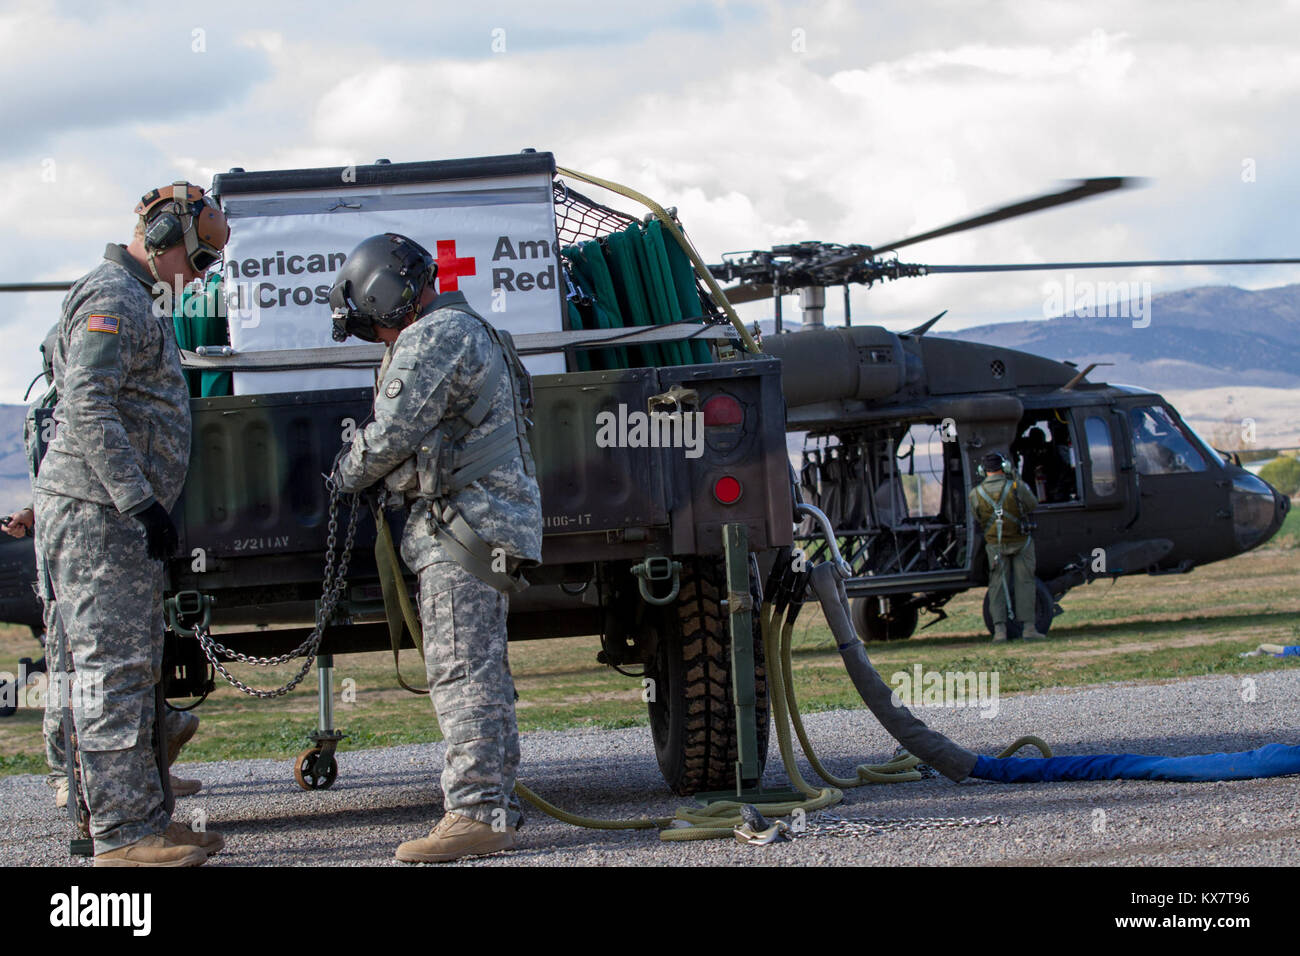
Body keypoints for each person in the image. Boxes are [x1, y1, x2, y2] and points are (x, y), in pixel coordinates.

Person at [329, 233, 542, 863]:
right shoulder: (473, 329)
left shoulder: (435, 335)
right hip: (487, 525)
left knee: (461, 671)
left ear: (387, 298)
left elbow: (393, 433)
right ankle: (495, 805)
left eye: (376, 327)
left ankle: (476, 812)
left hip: (464, 528)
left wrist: (347, 473)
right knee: (482, 667)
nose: (382, 340)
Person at [32, 182, 229, 866]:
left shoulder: (137, 300)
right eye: (198, 262)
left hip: (118, 517)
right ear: (166, 239)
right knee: (111, 673)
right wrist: (137, 499)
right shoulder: (112, 296)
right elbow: (88, 403)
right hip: (98, 515)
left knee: (138, 671)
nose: (198, 278)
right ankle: (121, 837)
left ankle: (147, 819)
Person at [969, 452, 1043, 641]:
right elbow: (1032, 505)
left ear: (983, 471)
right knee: (1025, 583)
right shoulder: (1016, 487)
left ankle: (1000, 631)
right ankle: (1028, 629)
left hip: (995, 546)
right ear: (1005, 467)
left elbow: (978, 518)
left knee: (997, 586)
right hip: (1020, 542)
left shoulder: (975, 494)